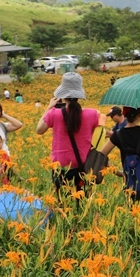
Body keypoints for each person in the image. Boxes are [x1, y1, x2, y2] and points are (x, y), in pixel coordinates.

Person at [35, 72, 101, 200]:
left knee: (62, 201)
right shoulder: (92, 114)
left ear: (62, 94)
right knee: (82, 201)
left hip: (61, 166)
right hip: (83, 165)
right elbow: (90, 133)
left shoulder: (54, 113)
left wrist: (49, 107)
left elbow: (39, 130)